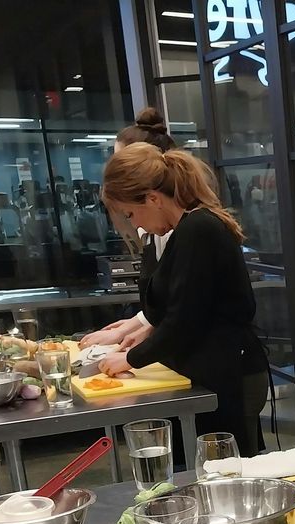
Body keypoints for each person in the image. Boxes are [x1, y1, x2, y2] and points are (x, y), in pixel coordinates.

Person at [97, 143, 268, 455]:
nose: (135, 223)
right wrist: (145, 332)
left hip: (230, 372)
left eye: (132, 213)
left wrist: (131, 358)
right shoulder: (184, 230)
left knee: (228, 473)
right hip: (218, 369)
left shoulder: (197, 229)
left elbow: (186, 319)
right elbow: (186, 305)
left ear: (152, 198)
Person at [81, 107, 177, 352]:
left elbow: (185, 308)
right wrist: (136, 326)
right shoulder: (155, 229)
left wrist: (132, 351)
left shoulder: (189, 229)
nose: (133, 223)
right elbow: (165, 307)